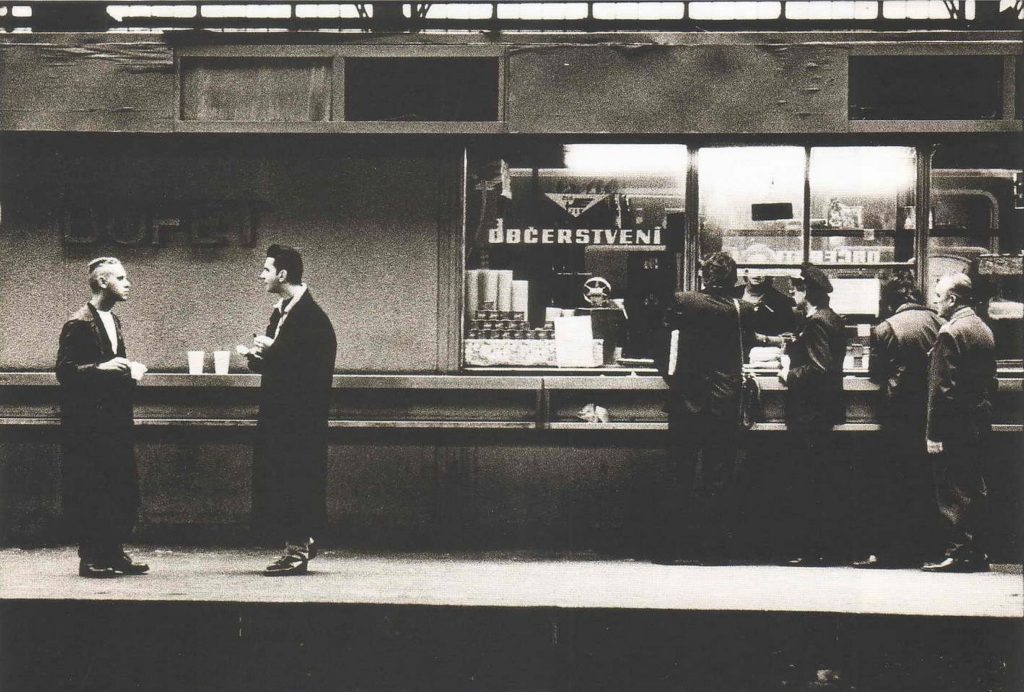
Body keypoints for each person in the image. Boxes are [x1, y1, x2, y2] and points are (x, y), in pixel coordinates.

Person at [656, 252, 755, 565]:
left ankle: (671, 549)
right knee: (718, 476)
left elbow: (664, 344)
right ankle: (713, 550)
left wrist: (673, 379)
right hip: (723, 402)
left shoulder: (682, 301)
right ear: (733, 278)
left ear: (704, 277)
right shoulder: (743, 309)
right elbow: (747, 346)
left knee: (679, 473)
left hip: (687, 400)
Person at [246, 244, 337, 576]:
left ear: (282, 275)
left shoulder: (312, 318)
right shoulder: (283, 312)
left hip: (299, 419)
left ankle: (297, 549)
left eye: (266, 269)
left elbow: (311, 369)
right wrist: (260, 357)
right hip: (282, 415)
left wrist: (274, 351)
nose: (261, 275)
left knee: (296, 478)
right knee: (282, 478)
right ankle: (300, 541)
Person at [56, 257, 149, 578]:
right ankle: (91, 557)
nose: (128, 283)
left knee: (121, 486)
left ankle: (113, 551)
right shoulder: (78, 323)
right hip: (90, 426)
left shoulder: (113, 320)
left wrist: (128, 372)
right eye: (121, 278)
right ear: (102, 283)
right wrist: (103, 368)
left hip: (114, 420)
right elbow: (65, 372)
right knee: (94, 488)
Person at [852, 271, 944, 568]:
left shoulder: (885, 328)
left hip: (900, 413)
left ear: (890, 301)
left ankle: (891, 552)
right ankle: (929, 549)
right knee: (926, 483)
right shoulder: (940, 322)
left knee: (893, 483)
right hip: (933, 414)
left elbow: (875, 374)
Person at [921, 273, 996, 573]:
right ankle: (977, 550)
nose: (936, 301)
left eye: (939, 296)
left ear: (952, 299)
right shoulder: (982, 328)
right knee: (974, 486)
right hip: (977, 420)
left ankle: (958, 552)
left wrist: (933, 433)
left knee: (952, 489)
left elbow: (941, 389)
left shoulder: (950, 332)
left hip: (953, 426)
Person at [778, 263, 848, 566]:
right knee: (817, 479)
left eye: (796, 287)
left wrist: (787, 374)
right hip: (822, 412)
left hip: (811, 413)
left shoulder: (818, 322)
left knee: (807, 480)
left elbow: (819, 368)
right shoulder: (828, 318)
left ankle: (811, 549)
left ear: (808, 291)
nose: (792, 293)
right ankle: (819, 548)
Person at [734, 270, 797, 339]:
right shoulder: (732, 294)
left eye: (761, 269)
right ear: (746, 272)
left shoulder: (781, 300)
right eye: (753, 268)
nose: (757, 273)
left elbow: (788, 334)